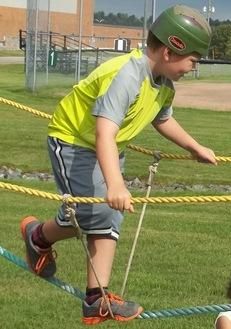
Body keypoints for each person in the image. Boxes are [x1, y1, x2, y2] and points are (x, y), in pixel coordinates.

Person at [20, 4, 217, 325]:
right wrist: (115, 184)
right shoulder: (127, 74)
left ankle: (61, 260)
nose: (193, 68)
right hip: (73, 141)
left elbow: (162, 120)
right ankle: (89, 291)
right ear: (170, 51)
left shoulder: (164, 84)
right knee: (94, 212)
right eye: (193, 60)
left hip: (108, 147)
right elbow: (104, 131)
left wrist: (194, 146)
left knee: (104, 215)